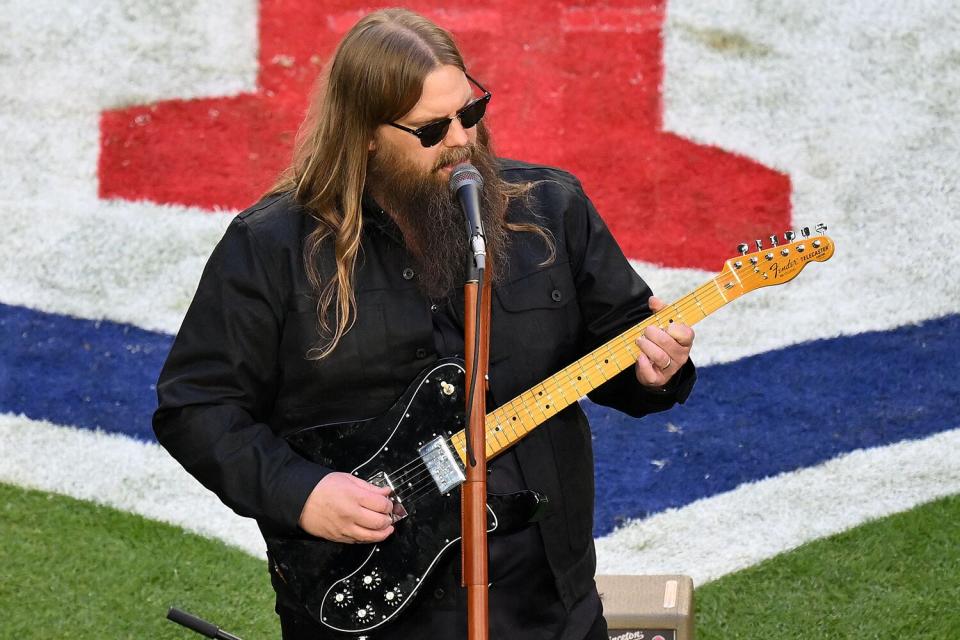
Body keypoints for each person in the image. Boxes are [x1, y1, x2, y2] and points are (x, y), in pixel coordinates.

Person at [153, 8, 695, 640]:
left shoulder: (553, 209)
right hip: (369, 601)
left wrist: (656, 371)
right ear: (364, 135)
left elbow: (620, 349)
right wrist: (301, 493)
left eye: (471, 112)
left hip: (548, 596)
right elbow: (195, 406)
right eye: (433, 128)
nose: (462, 140)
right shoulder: (270, 249)